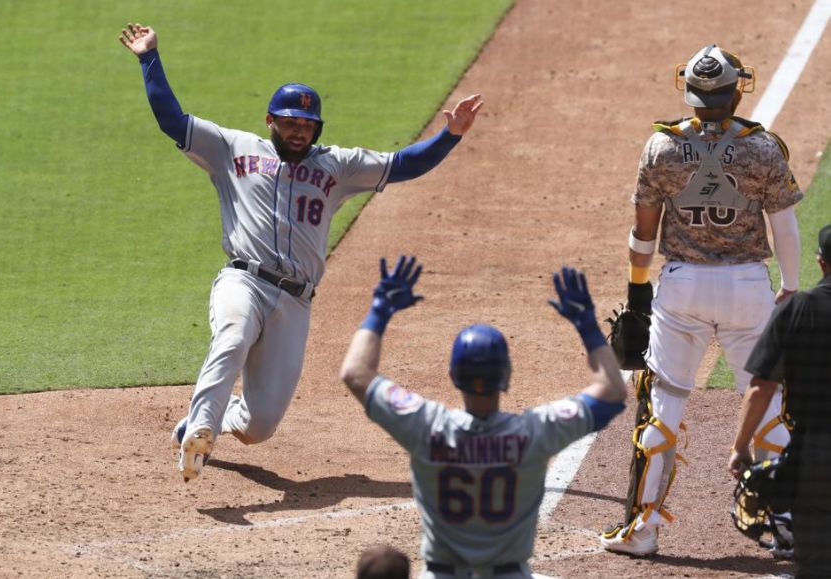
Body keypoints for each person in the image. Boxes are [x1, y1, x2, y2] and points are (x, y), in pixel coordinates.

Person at [119, 23, 485, 482]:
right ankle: (201, 428)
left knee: (260, 425)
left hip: (295, 301)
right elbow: (173, 119)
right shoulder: (232, 147)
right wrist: (148, 57)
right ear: (270, 120)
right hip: (244, 280)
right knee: (230, 339)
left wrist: (449, 135)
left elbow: (404, 164)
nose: (298, 132)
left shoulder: (339, 165)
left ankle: (214, 421)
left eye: (307, 125)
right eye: (290, 122)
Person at [600, 44, 804, 557]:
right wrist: (791, 287)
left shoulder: (660, 148)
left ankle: (643, 530)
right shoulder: (763, 149)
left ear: (690, 94)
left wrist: (637, 294)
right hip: (747, 289)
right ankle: (785, 527)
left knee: (662, 405)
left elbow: (642, 233)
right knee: (771, 407)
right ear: (736, 91)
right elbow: (784, 228)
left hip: (682, 288)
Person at [340, 256, 628, 579]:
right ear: (507, 376)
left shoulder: (427, 427)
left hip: (442, 575)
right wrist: (588, 326)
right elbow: (613, 391)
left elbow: (356, 374)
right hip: (511, 575)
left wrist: (380, 309)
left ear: (452, 375)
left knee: (381, 565)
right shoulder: (534, 432)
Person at [728, 224, 831, 576]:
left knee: (815, 563)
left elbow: (761, 388)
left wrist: (740, 447)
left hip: (816, 459)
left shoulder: (798, 309)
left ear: (821, 263)